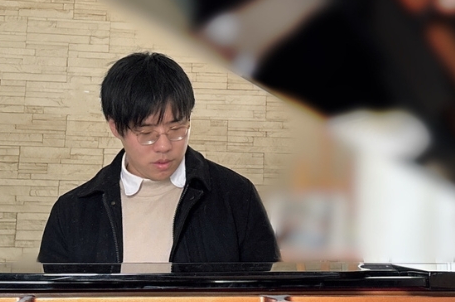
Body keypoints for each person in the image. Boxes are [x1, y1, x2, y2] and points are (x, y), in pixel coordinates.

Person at [38, 52, 280, 265]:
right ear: (115, 127)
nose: (164, 146)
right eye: (147, 134)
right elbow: (56, 299)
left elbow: (268, 292)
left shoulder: (236, 196)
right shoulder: (72, 212)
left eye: (176, 129)